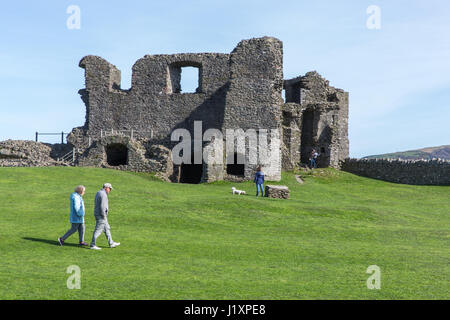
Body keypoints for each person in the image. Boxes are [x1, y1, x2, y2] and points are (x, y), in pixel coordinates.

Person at [90, 183, 120, 250]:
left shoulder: (99, 192)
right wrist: (104, 215)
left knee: (107, 229)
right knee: (98, 230)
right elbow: (102, 206)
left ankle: (111, 243)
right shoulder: (103, 194)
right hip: (101, 215)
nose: (110, 190)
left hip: (99, 214)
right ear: (106, 187)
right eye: (110, 189)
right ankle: (92, 245)